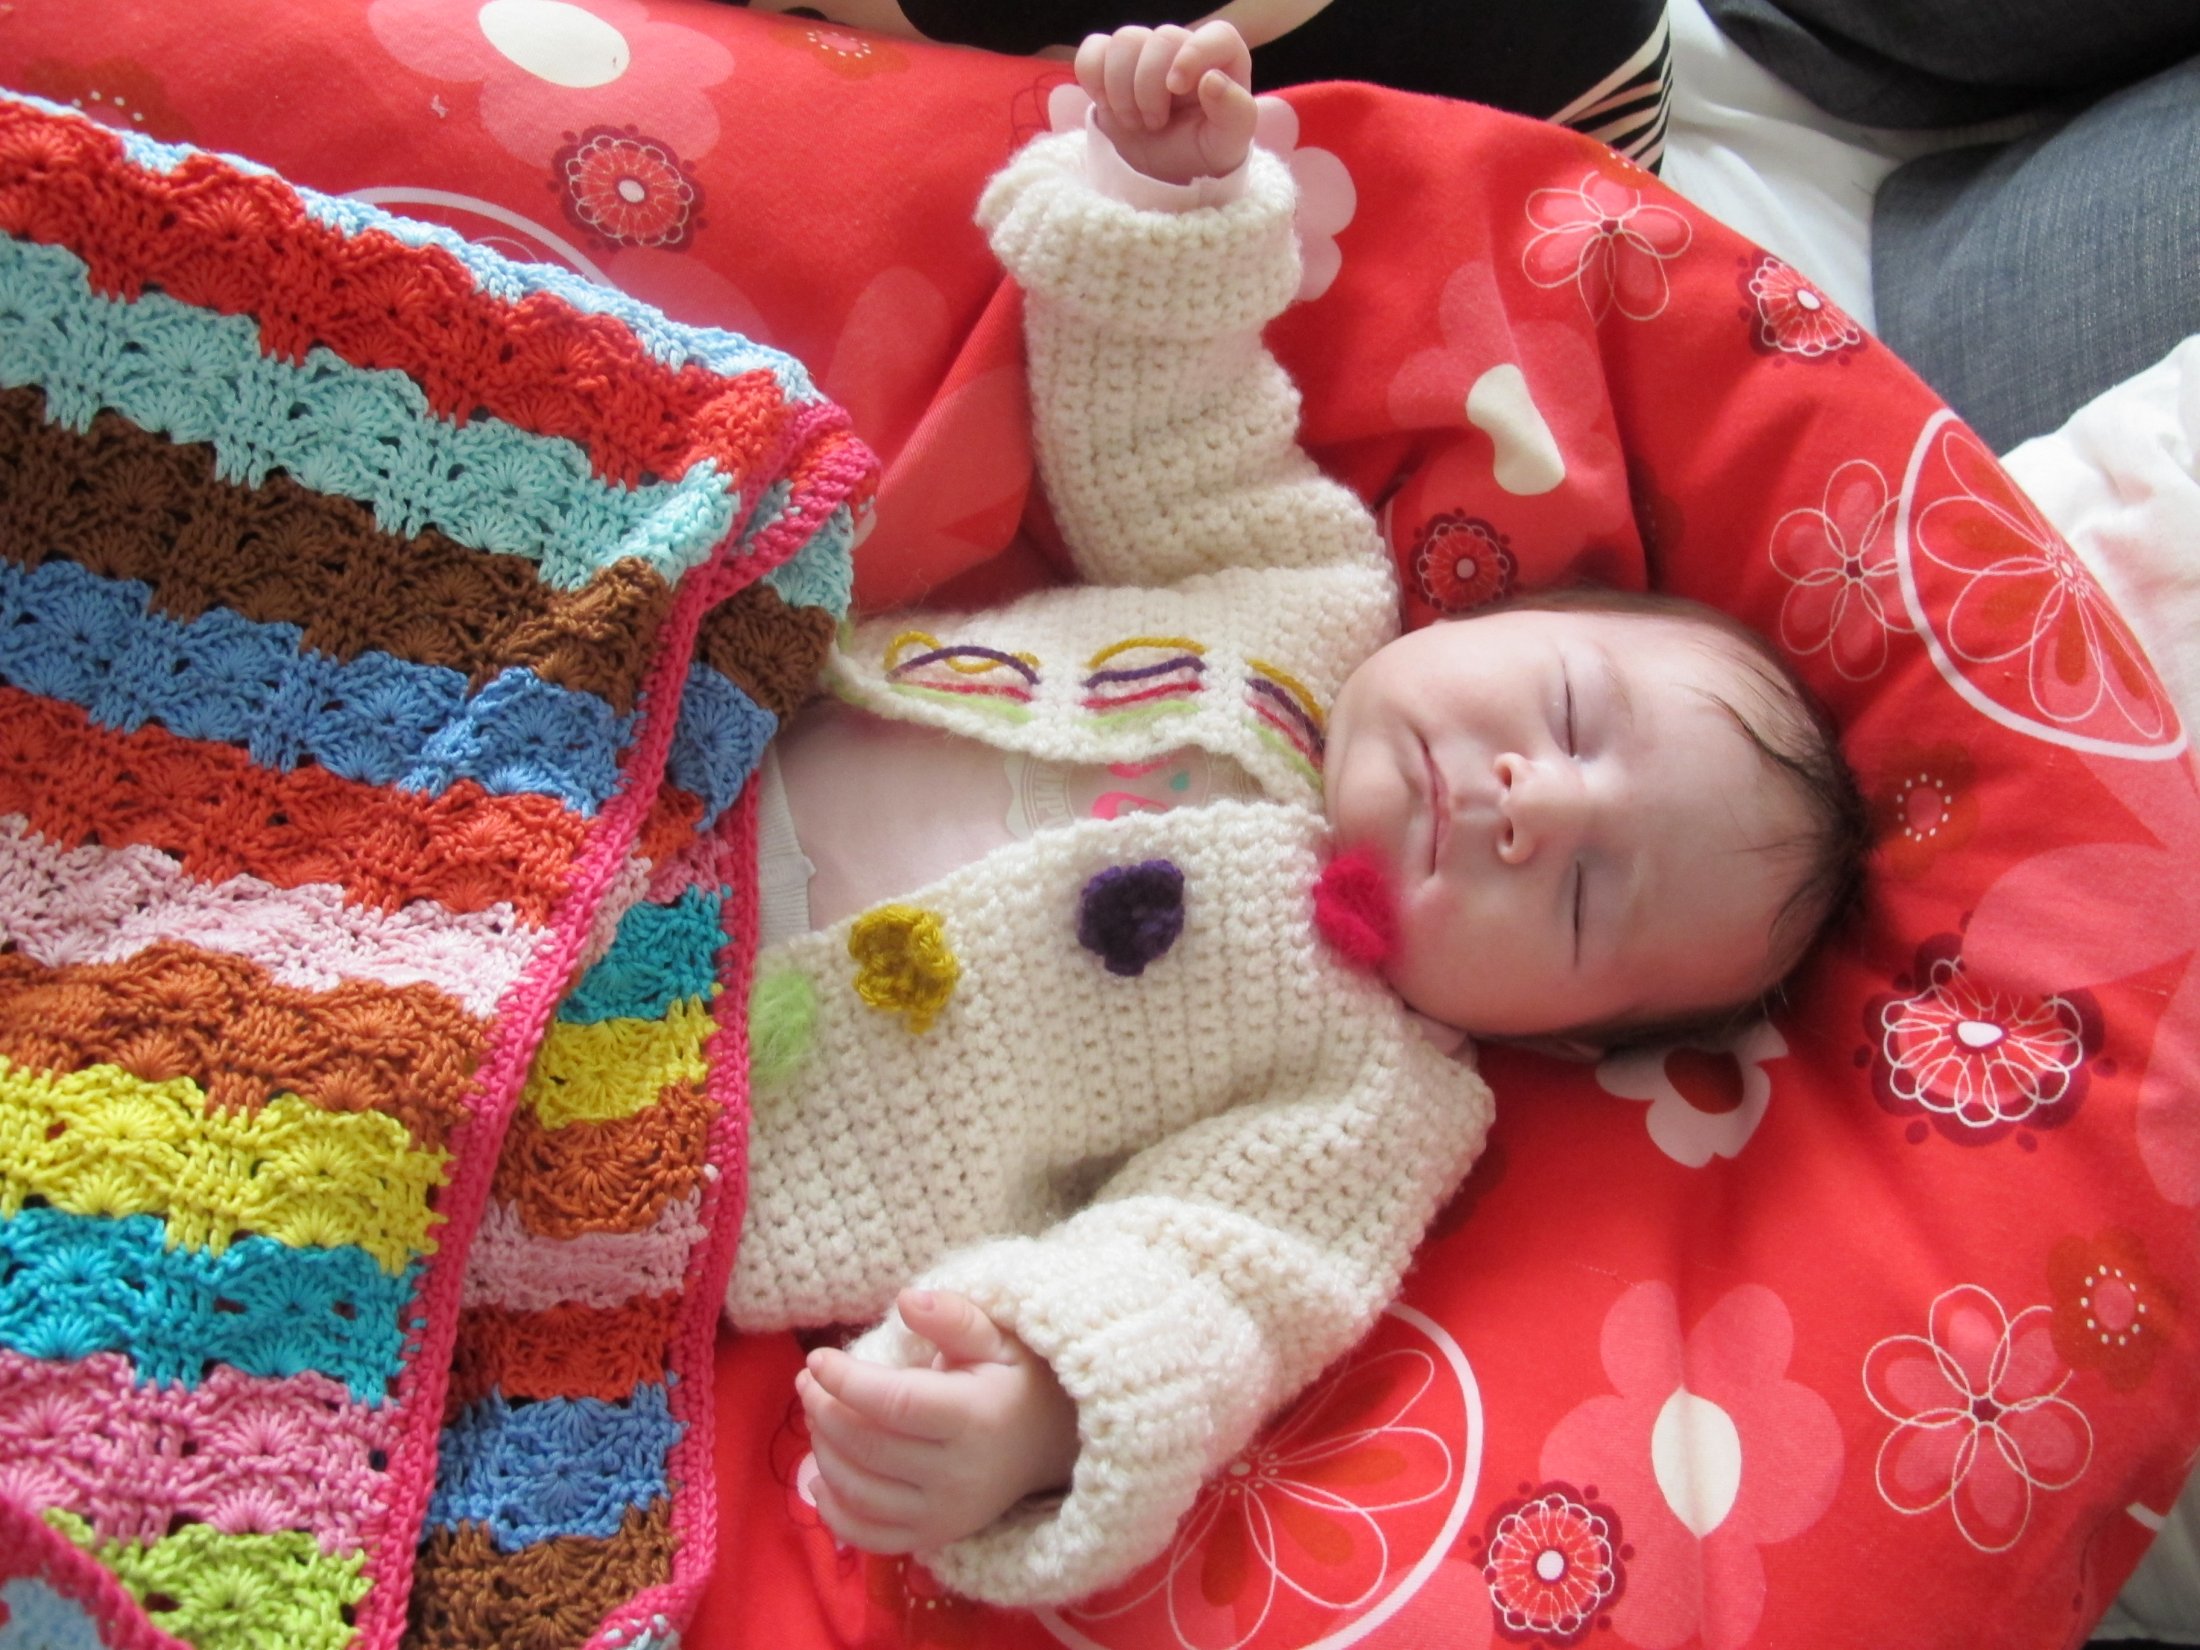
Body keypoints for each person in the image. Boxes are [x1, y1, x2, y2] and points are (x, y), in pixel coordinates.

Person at [725, 19, 1866, 1608]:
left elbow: (1211, 1274)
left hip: (700, 1101)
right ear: (1494, 621)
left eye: (1585, 898)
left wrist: (1038, 1404)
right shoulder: (1307, 598)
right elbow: (1172, 437)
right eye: (1566, 714)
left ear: (1550, 1036)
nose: (1533, 805)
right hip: (688, 737)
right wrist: (1167, 204)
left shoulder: (1375, 1100)